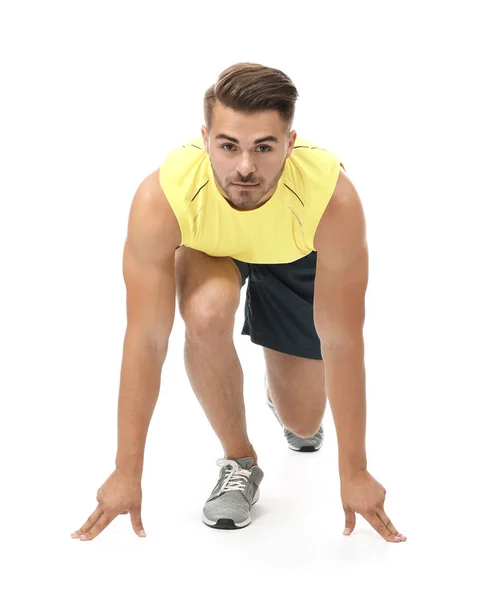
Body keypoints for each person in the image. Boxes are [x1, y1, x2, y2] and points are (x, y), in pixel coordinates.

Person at [71, 62, 407, 542]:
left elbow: (342, 336)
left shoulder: (334, 199)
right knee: (205, 316)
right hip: (214, 249)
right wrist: (127, 472)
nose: (244, 167)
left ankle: (281, 392)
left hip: (295, 252)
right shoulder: (163, 196)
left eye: (263, 148)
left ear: (289, 144)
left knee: (304, 422)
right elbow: (146, 337)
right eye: (228, 146)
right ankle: (239, 460)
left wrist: (354, 471)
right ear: (206, 138)